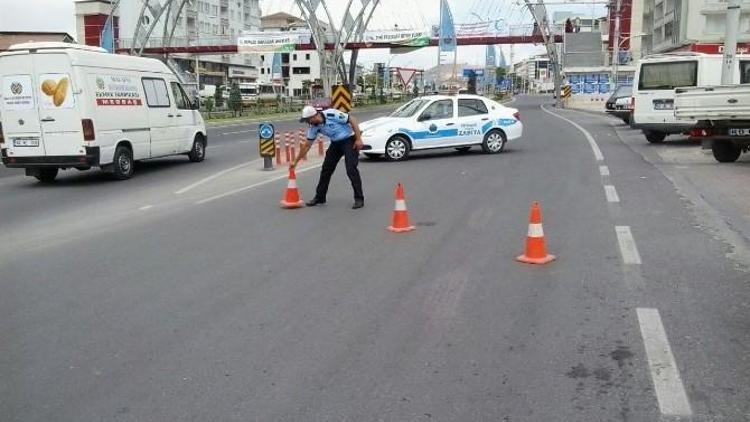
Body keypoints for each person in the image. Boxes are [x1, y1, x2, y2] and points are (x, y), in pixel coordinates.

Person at [292, 105, 365, 209]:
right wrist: (295, 161)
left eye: (308, 120)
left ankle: (359, 198)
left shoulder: (331, 114)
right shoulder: (314, 127)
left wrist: (358, 139)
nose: (308, 123)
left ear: (313, 117)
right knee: (326, 169)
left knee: (351, 169)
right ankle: (320, 197)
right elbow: (307, 145)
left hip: (348, 140)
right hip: (335, 144)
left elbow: (353, 120)